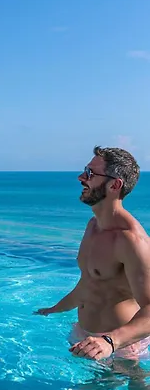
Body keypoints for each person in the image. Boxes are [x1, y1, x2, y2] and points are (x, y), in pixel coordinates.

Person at [35, 146, 150, 362]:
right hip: (86, 336)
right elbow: (90, 283)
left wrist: (111, 341)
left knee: (132, 384)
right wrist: (54, 309)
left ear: (115, 185)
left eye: (90, 173)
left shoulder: (131, 240)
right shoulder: (93, 226)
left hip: (121, 346)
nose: (81, 178)